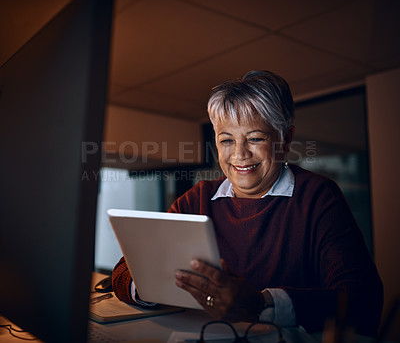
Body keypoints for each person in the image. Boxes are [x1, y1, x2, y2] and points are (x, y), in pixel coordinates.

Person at [112, 70, 383, 336]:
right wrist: (153, 287)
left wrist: (261, 304)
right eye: (226, 140)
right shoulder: (199, 198)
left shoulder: (317, 196)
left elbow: (362, 302)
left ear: (284, 138)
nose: (240, 154)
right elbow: (126, 270)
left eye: (255, 138)